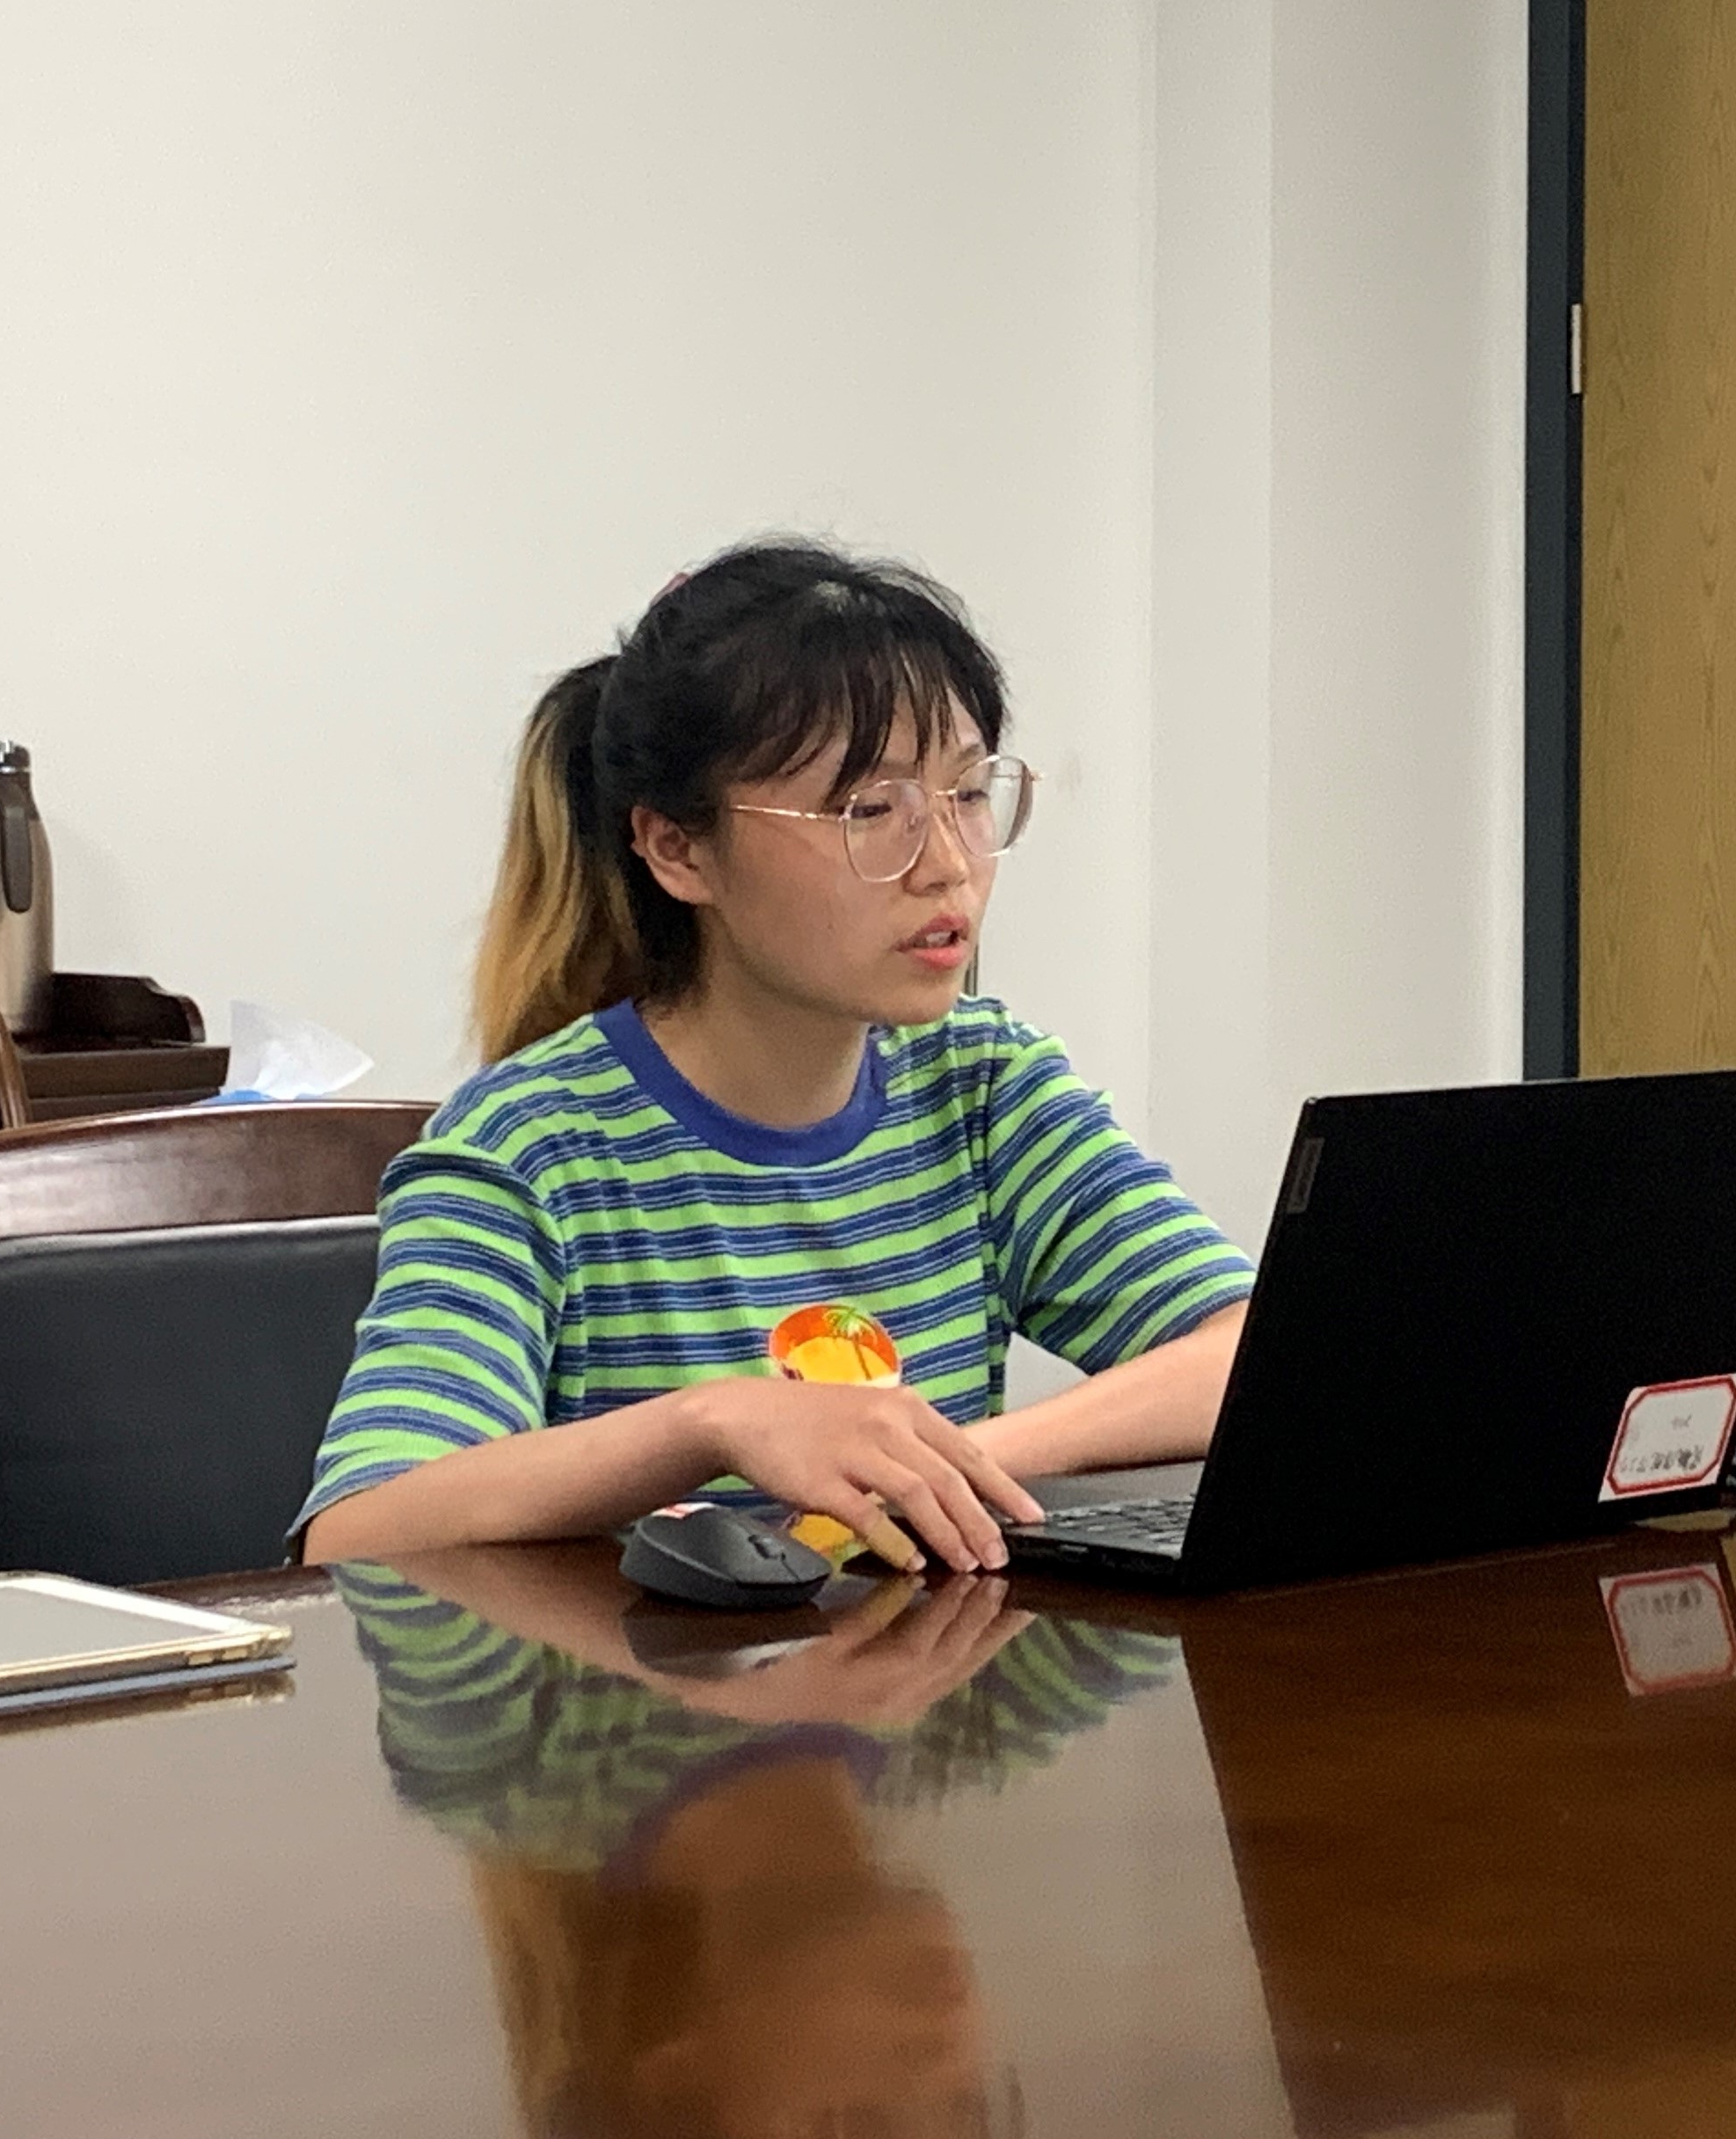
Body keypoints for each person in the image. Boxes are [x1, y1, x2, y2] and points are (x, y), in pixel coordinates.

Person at [296, 538, 1253, 1570]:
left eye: (969, 794)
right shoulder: (527, 1146)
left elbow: (1258, 1353)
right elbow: (361, 1525)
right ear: (679, 849)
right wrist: (705, 1424)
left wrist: (948, 1462)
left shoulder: (982, 1086)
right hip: (634, 1673)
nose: (946, 865)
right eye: (868, 810)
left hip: (921, 1663)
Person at [339, 1541, 1183, 2139]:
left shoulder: (510, 1773)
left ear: (678, 2079)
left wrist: (708, 1435)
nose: (943, 2060)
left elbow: (387, 1541)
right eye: (966, 2109)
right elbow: (1189, 1536)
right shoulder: (976, 1721)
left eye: (855, 2125)